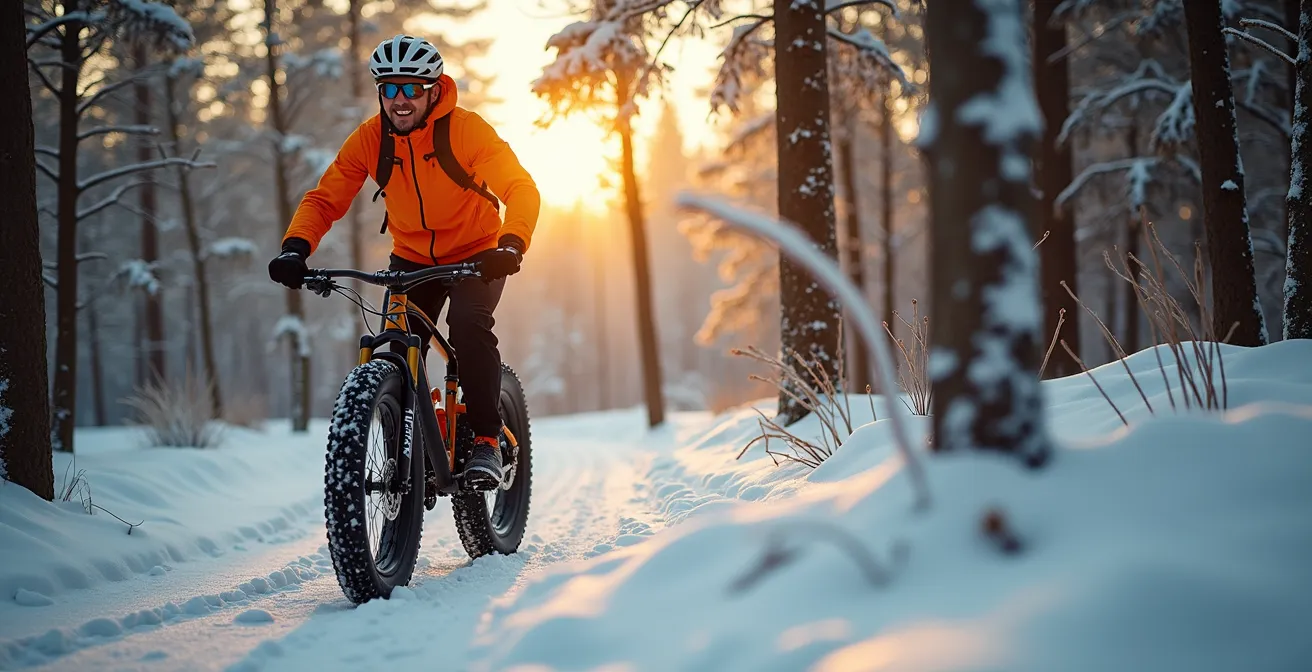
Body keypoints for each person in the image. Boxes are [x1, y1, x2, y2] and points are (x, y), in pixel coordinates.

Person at [268, 34, 540, 490]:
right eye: (389, 88)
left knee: (469, 326)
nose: (400, 100)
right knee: (396, 344)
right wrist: (296, 246)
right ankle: (409, 443)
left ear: (434, 89)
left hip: (479, 254)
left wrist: (512, 243)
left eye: (412, 88)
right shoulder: (371, 139)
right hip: (411, 257)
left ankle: (488, 441)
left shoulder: (466, 131)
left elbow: (520, 187)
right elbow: (325, 198)